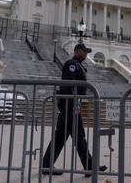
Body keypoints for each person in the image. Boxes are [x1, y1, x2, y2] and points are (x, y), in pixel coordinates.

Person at [42, 43, 107, 177]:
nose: (86, 54)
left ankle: (46, 165)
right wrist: (73, 104)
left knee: (60, 137)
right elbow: (68, 85)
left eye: (87, 52)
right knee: (79, 137)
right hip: (70, 106)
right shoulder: (71, 64)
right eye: (84, 51)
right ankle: (90, 167)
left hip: (70, 105)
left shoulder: (79, 65)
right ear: (77, 51)